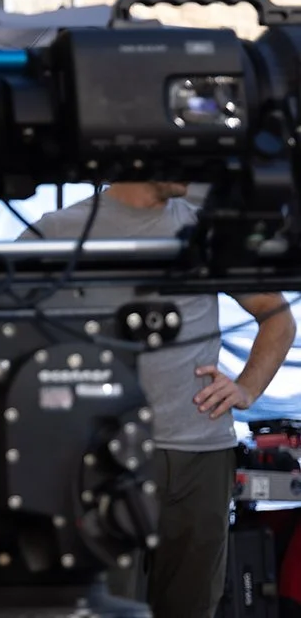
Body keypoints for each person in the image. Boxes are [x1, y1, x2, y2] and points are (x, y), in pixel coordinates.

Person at [22, 182, 295, 618]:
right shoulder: (58, 230)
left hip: (200, 459)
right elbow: (7, 337)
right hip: (100, 463)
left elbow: (278, 317)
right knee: (106, 608)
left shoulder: (205, 232)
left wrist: (247, 386)